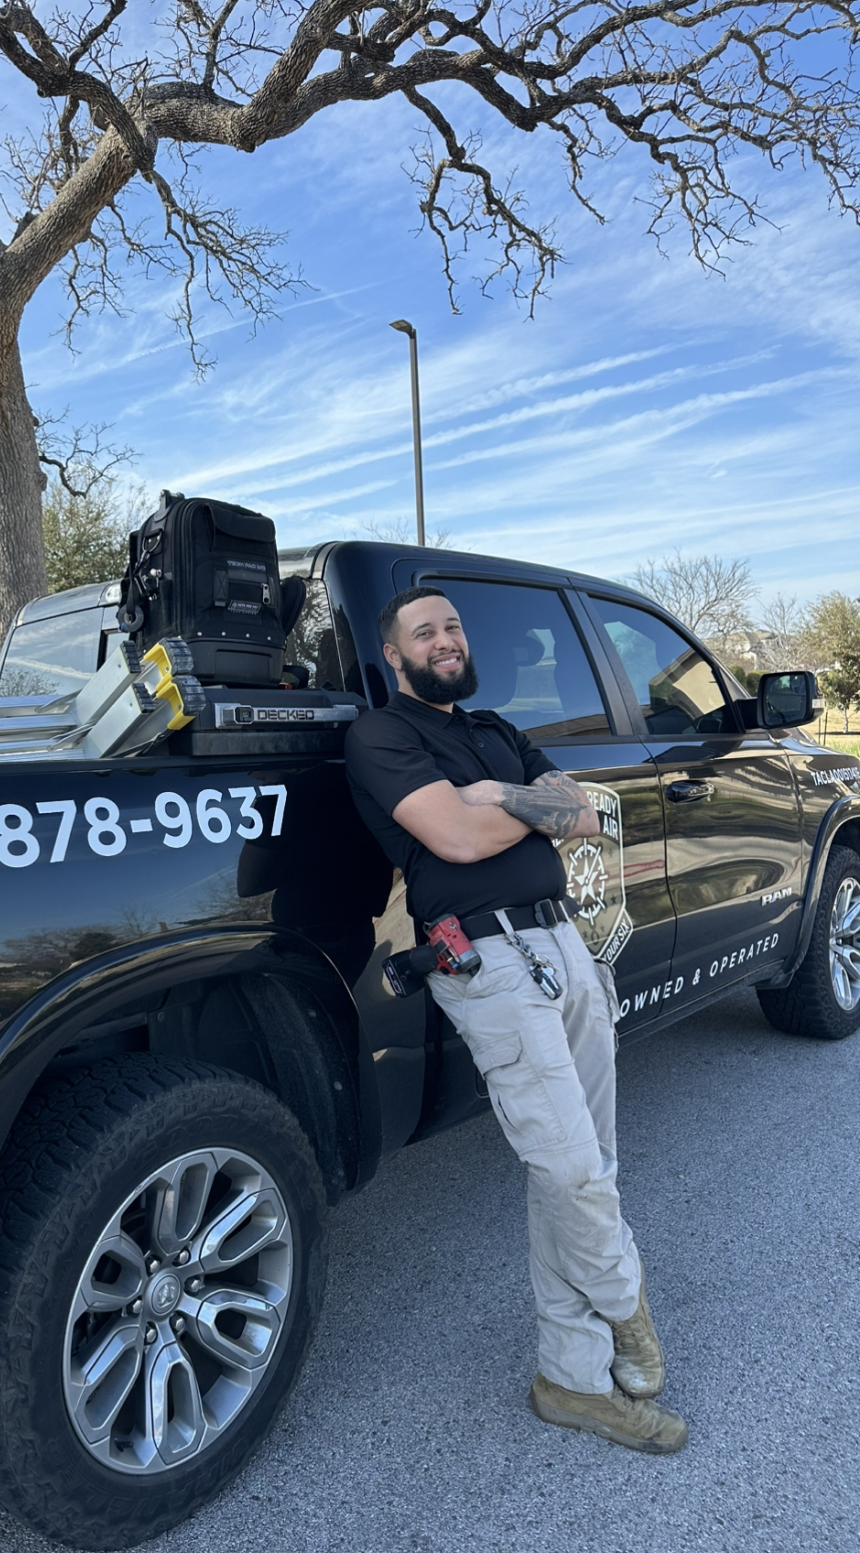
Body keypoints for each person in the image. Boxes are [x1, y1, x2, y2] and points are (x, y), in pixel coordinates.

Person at [343, 585, 688, 1454]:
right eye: (425, 631)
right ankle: (627, 1308)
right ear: (395, 655)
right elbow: (453, 841)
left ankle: (570, 1380)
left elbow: (577, 813)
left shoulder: (493, 730)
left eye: (453, 625)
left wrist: (491, 791)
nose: (445, 639)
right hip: (484, 959)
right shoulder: (382, 735)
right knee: (571, 1166)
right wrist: (509, 805)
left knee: (580, 1163)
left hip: (565, 945)